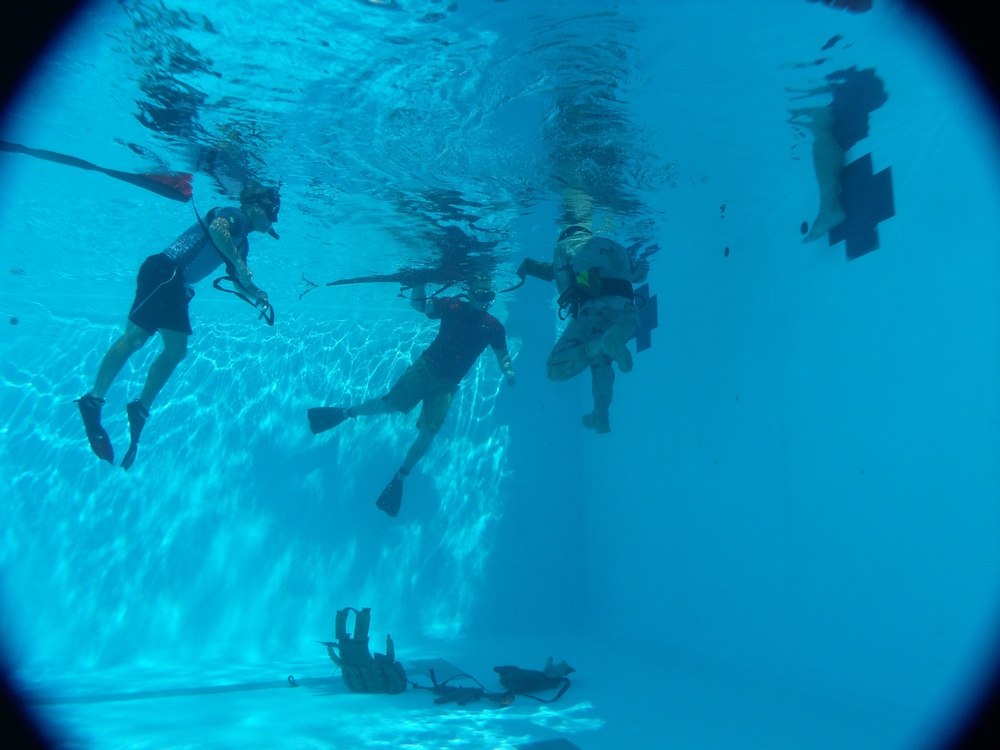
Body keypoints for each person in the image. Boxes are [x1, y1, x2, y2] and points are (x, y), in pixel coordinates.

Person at [75, 181, 279, 470]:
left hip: (175, 283)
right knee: (136, 338)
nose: (274, 220)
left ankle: (139, 408)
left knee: (175, 350)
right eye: (272, 212)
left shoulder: (243, 240)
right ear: (257, 206)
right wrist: (239, 265)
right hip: (165, 271)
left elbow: (238, 276)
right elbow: (217, 228)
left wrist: (258, 294)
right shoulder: (234, 215)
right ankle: (93, 401)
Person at [308, 282, 516, 517]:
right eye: (481, 293)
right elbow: (419, 305)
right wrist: (419, 282)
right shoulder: (453, 305)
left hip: (448, 385)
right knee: (389, 405)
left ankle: (399, 478)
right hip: (426, 368)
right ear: (470, 293)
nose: (487, 299)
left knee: (428, 432)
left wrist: (508, 371)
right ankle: (346, 413)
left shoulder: (493, 327)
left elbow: (503, 354)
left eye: (490, 295)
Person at [545, 226, 648, 434]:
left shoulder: (563, 247)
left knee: (555, 368)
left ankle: (599, 345)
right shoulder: (617, 246)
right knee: (602, 358)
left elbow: (564, 287)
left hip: (596, 311)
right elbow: (641, 274)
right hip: (627, 314)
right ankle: (601, 414)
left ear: (565, 236)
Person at [788, 66, 888, 242]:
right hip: (851, 111)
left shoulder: (855, 84)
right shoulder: (853, 80)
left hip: (850, 118)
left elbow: (842, 90)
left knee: (821, 129)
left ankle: (828, 210)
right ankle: (827, 210)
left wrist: (807, 96)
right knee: (820, 126)